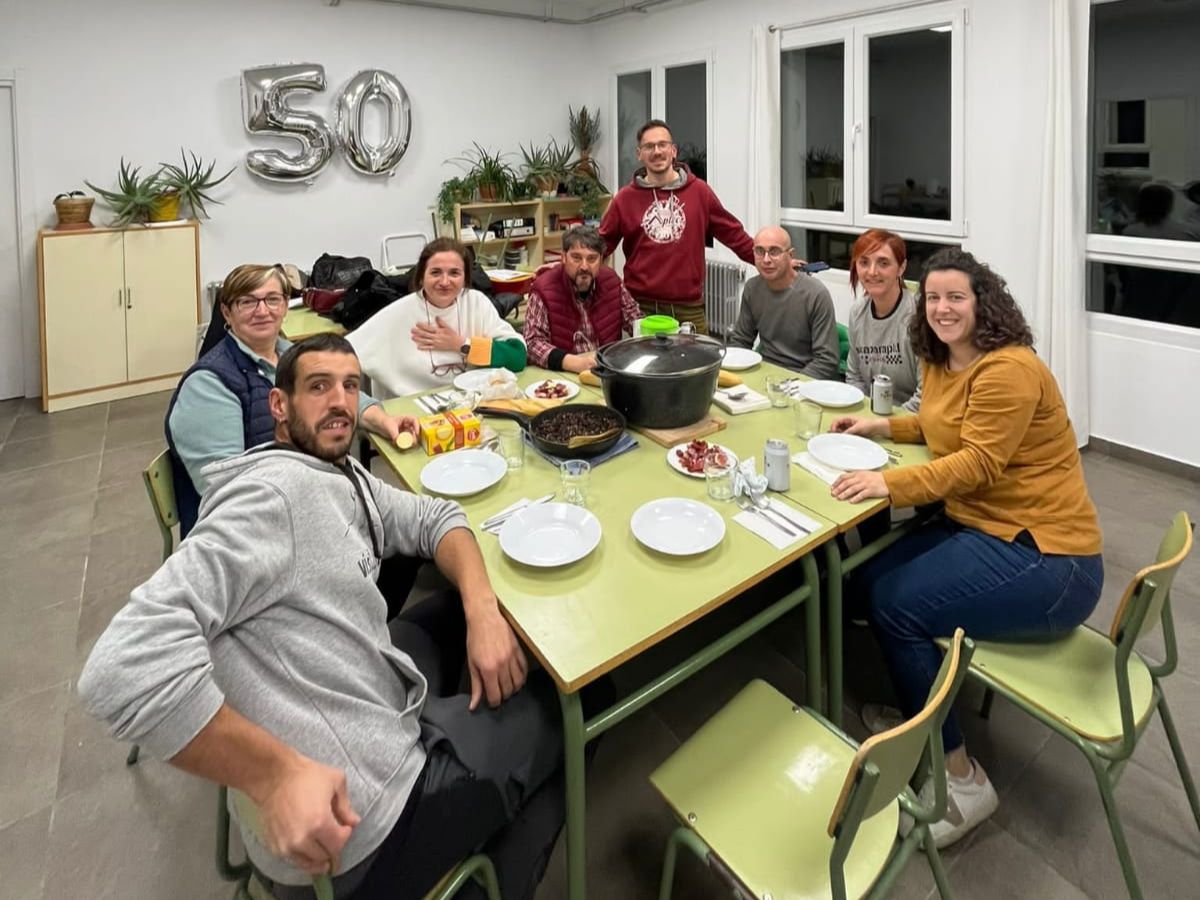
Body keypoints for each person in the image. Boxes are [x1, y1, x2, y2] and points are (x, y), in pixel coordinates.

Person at [80, 334, 566, 900]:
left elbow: (437, 517)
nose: (340, 401)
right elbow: (120, 668)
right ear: (279, 406)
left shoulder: (339, 475)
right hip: (366, 822)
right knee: (579, 695)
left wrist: (482, 611)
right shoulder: (271, 499)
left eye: (350, 387)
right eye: (318, 386)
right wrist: (274, 775)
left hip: (358, 690)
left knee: (461, 610)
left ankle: (469, 741)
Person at [828, 248, 1104, 848]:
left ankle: (962, 779)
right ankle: (919, 717)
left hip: (1050, 557)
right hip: (986, 527)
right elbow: (940, 426)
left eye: (956, 297)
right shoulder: (941, 359)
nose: (942, 308)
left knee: (898, 606)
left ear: (984, 303)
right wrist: (883, 426)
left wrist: (888, 482)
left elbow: (976, 463)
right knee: (870, 583)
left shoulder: (1009, 369)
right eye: (932, 298)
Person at [166, 263, 416, 537]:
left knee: (414, 525)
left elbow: (345, 397)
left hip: (311, 496)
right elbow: (232, 493)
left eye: (272, 299)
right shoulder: (208, 386)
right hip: (257, 532)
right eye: (247, 302)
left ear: (286, 305)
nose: (263, 311)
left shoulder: (291, 354)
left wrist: (384, 422)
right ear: (227, 312)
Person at [599, 119, 755, 334]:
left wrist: (771, 261)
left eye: (662, 145)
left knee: (696, 366)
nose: (657, 151)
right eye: (649, 146)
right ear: (639, 154)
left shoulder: (700, 192)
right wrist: (559, 270)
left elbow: (733, 234)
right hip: (640, 307)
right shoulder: (625, 199)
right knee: (642, 367)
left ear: (673, 151)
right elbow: (600, 245)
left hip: (688, 309)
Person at [349, 237, 527, 399]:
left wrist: (461, 344)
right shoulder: (399, 312)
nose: (444, 282)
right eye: (435, 273)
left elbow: (517, 356)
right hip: (412, 408)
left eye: (454, 273)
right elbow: (343, 354)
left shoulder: (476, 304)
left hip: (470, 403)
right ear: (421, 278)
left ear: (465, 279)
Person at [523, 226, 640, 372]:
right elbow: (532, 342)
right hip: (563, 373)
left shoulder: (612, 281)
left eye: (592, 259)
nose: (584, 266)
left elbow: (634, 317)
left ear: (601, 260)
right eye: (576, 258)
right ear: (564, 257)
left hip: (607, 369)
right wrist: (574, 363)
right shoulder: (544, 288)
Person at [726, 225, 839, 378]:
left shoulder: (816, 294)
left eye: (774, 252)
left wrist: (790, 387)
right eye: (760, 251)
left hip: (803, 379)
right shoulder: (752, 288)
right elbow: (740, 341)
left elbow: (826, 361)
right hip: (764, 374)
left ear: (791, 255)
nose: (766, 260)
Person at [845, 229, 922, 411]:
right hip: (870, 416)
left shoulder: (919, 314)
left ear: (901, 268)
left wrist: (886, 426)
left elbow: (926, 395)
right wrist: (866, 416)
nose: (872, 272)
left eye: (883, 263)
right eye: (864, 262)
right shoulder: (858, 311)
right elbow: (854, 376)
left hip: (911, 421)